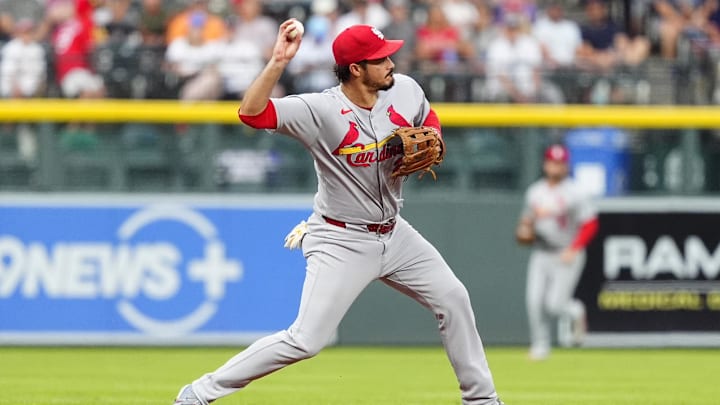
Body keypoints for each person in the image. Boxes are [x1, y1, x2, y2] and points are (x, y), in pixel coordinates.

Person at [172, 20, 505, 405]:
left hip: (395, 233)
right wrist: (278, 60)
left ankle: (481, 399)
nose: (391, 63)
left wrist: (435, 137)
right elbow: (252, 113)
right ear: (356, 69)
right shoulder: (320, 109)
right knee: (306, 340)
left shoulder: (406, 89)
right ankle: (199, 392)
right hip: (340, 238)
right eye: (380, 59)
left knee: (453, 297)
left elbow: (427, 119)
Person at [515, 144, 599, 361]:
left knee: (555, 305)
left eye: (560, 163)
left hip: (566, 252)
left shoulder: (576, 192)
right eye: (553, 162)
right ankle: (540, 345)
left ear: (566, 166)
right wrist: (525, 228)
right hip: (541, 251)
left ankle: (576, 311)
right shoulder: (535, 191)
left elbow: (590, 224)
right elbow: (527, 221)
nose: (556, 167)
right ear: (545, 164)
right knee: (534, 301)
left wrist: (575, 248)